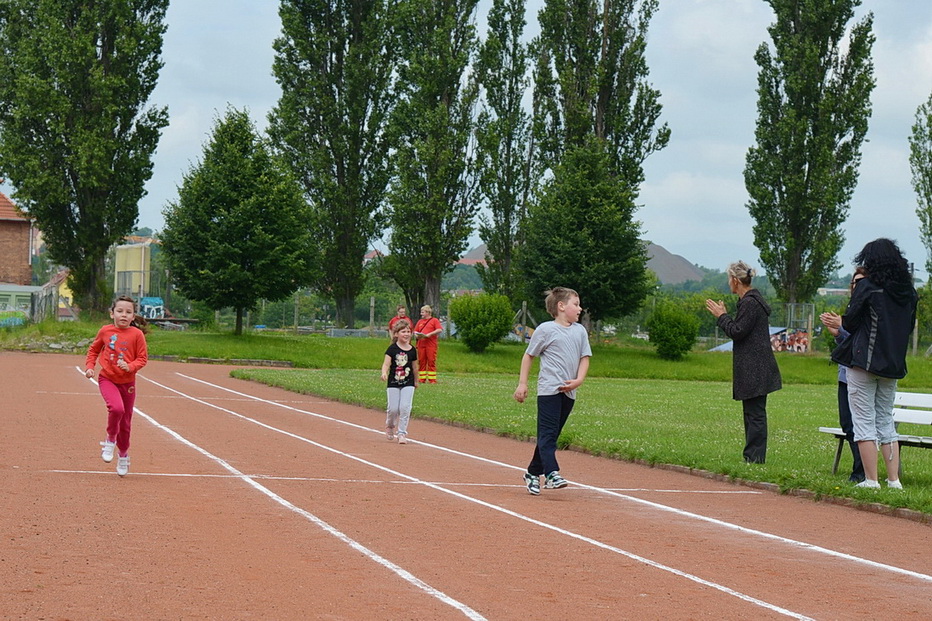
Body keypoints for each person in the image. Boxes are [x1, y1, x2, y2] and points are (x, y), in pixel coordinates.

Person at [831, 238, 918, 489]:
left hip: (864, 361)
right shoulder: (908, 292)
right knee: (885, 421)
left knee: (863, 420)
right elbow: (908, 327)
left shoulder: (867, 287)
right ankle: (894, 480)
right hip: (893, 364)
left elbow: (850, 322)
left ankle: (871, 479)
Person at [514, 287, 592, 495]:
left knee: (551, 436)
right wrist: (523, 383)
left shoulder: (580, 331)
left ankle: (532, 473)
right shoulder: (546, 329)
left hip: (569, 391)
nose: (579, 308)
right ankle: (552, 473)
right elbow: (529, 355)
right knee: (547, 434)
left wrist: (579, 380)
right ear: (561, 306)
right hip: (549, 390)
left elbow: (585, 357)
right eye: (575, 304)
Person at [706, 261, 782, 464]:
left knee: (755, 414)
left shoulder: (750, 303)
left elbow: (737, 331)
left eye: (729, 279)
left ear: (735, 280)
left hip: (755, 367)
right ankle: (752, 456)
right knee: (752, 412)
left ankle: (755, 459)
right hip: (755, 366)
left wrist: (722, 316)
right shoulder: (750, 301)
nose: (728, 283)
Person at [85, 296, 149, 477]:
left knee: (126, 424)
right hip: (108, 379)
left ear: (133, 316)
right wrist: (90, 367)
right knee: (116, 409)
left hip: (127, 383)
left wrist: (130, 367)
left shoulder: (137, 335)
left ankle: (123, 455)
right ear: (112, 313)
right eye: (120, 311)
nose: (124, 315)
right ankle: (110, 440)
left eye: (128, 312)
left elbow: (142, 358)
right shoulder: (105, 331)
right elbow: (94, 350)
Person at [819, 267, 868, 483]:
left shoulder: (870, 310)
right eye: (854, 282)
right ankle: (860, 470)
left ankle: (861, 473)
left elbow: (863, 342)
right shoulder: (851, 309)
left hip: (861, 375)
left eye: (861, 282)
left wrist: (842, 327)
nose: (856, 286)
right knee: (847, 424)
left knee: (860, 426)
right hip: (845, 375)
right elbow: (849, 343)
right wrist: (838, 333)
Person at [381, 318, 418, 444]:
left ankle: (402, 433)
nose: (406, 334)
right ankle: (390, 425)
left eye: (408, 331)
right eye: (403, 331)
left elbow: (414, 367)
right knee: (393, 409)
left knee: (405, 407)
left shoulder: (412, 350)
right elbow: (386, 364)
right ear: (396, 334)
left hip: (408, 382)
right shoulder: (392, 349)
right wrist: (384, 373)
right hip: (393, 382)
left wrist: (416, 381)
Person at [413, 305, 442, 384]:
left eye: (422, 312)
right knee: (421, 361)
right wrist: (417, 336)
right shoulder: (420, 322)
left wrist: (429, 334)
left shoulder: (434, 320)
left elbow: (439, 329)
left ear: (428, 312)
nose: (421, 314)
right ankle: (422, 379)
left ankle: (432, 379)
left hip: (431, 344)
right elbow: (415, 331)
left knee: (431, 361)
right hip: (421, 344)